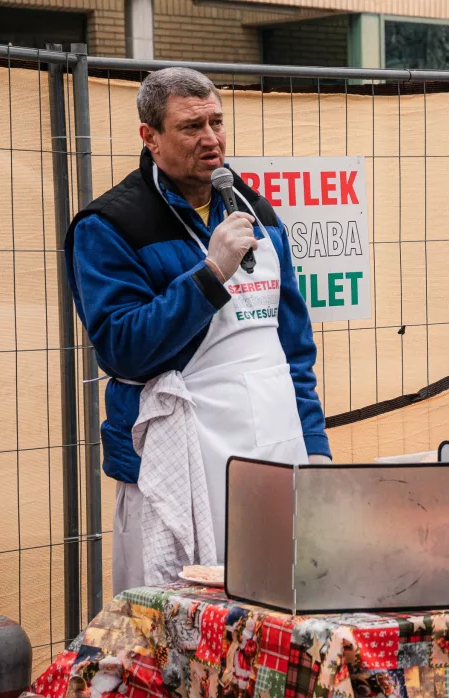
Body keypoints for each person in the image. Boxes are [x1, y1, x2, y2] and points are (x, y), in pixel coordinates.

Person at [64, 67, 330, 594]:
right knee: (171, 627)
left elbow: (292, 345)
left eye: (217, 122)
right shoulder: (110, 226)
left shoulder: (256, 211)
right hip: (176, 466)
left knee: (274, 611)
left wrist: (314, 441)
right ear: (151, 137)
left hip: (274, 452)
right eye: (191, 127)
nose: (211, 139)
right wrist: (209, 276)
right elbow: (122, 350)